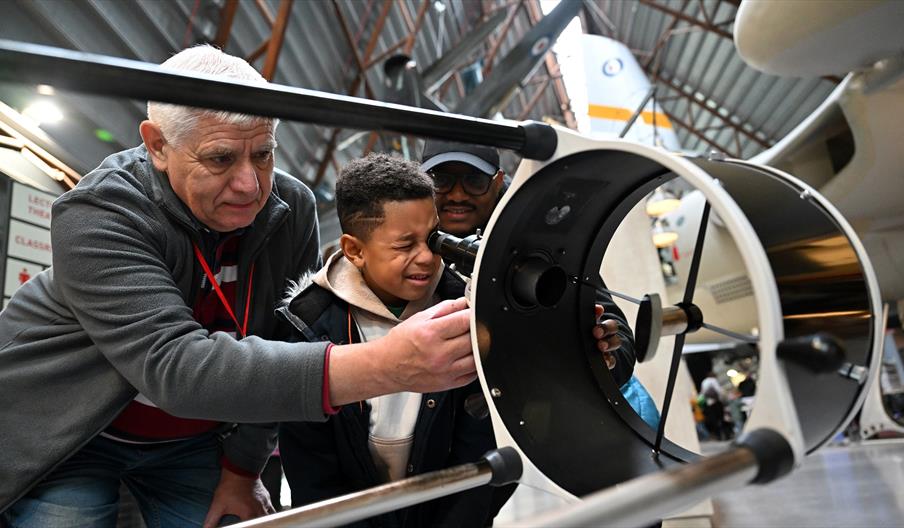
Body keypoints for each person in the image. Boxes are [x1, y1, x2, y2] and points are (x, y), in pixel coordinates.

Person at [0, 46, 475, 527]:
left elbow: (277, 343)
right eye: (220, 158)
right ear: (158, 145)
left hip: (192, 445)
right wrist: (390, 365)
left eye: (263, 154)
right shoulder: (98, 214)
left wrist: (244, 468)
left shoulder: (289, 207)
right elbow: (177, 368)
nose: (250, 185)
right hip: (77, 436)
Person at [278, 154, 512, 526]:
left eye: (433, 238)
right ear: (354, 250)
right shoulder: (309, 327)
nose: (426, 257)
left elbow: (479, 447)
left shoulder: (464, 310)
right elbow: (312, 472)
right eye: (405, 246)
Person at [420, 140, 637, 386]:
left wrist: (602, 354)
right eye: (441, 180)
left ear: (498, 181)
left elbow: (618, 341)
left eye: (475, 180)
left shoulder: (539, 240)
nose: (457, 195)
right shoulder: (396, 246)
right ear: (422, 181)